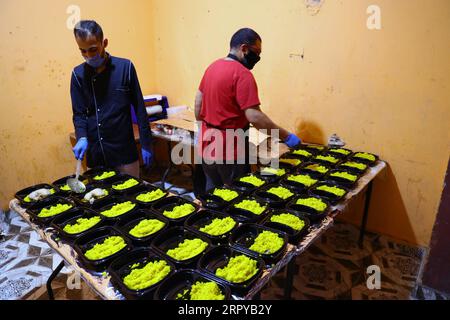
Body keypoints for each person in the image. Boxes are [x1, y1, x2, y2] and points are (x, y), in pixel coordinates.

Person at [195, 28, 302, 191]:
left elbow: (198, 103)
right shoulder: (242, 74)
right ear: (244, 48)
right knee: (237, 196)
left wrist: (204, 127)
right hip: (230, 149)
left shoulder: (213, 67)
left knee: (212, 194)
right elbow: (255, 117)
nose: (257, 58)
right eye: (256, 52)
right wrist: (286, 136)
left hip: (206, 143)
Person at [70, 20, 153, 177]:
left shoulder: (125, 68)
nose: (88, 55)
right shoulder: (78, 75)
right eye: (83, 51)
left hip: (124, 150)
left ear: (104, 43)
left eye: (93, 49)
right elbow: (79, 114)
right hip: (97, 152)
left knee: (131, 196)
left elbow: (140, 109)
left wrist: (146, 144)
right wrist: (81, 137)